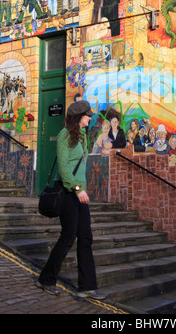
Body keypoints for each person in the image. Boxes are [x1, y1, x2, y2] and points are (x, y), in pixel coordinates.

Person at [36, 100, 106, 300]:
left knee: (86, 237)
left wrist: (82, 190)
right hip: (67, 192)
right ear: (79, 117)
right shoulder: (64, 135)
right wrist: (77, 189)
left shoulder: (82, 136)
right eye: (88, 115)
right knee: (68, 237)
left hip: (78, 193)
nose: (91, 118)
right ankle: (46, 279)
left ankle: (87, 287)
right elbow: (64, 170)